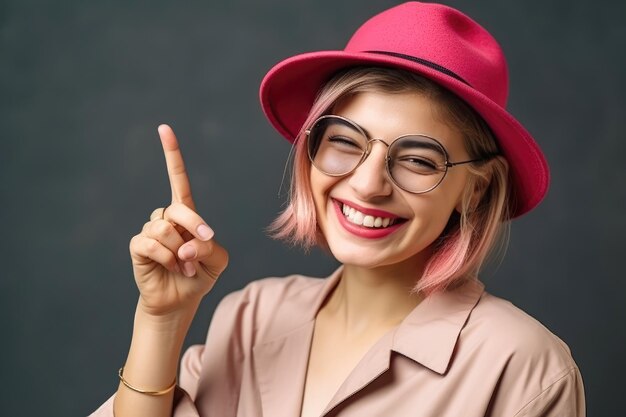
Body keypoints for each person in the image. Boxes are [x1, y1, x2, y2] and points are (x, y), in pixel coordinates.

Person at [91, 2, 585, 416]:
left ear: (476, 190)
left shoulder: (523, 367)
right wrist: (162, 319)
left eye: (416, 159)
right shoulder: (251, 315)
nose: (368, 185)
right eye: (345, 142)